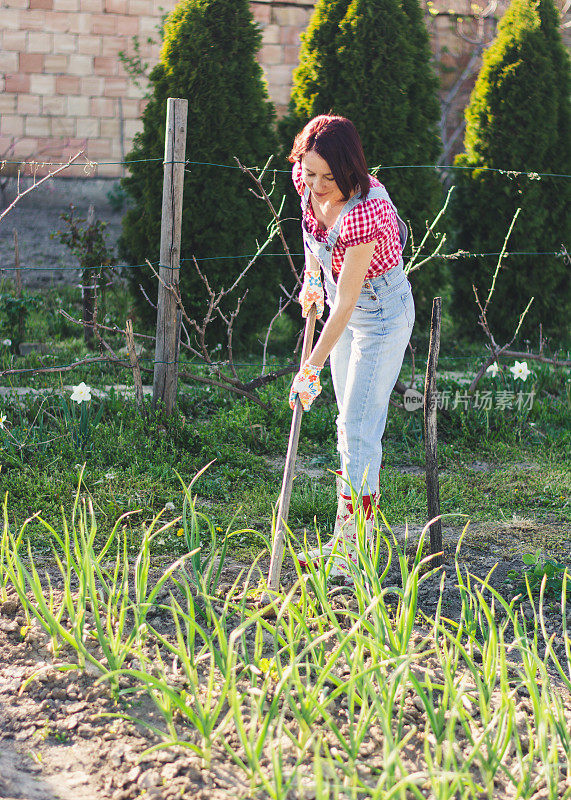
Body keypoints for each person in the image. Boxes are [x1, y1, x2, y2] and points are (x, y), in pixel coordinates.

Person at [288, 114, 415, 581]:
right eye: (310, 172)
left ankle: (358, 555)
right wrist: (310, 279)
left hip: (380, 315)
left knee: (360, 430)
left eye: (328, 176)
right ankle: (344, 543)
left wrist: (309, 368)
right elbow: (312, 242)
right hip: (346, 309)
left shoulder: (366, 211)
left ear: (350, 171)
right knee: (348, 427)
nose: (317, 185)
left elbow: (343, 306)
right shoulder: (308, 185)